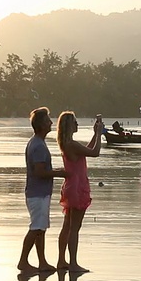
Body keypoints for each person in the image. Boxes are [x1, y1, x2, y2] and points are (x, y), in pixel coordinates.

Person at [18, 107, 67, 273]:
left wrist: (56, 171)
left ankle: (42, 262)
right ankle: (23, 261)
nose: (51, 123)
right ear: (41, 125)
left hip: (38, 192)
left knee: (40, 229)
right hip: (37, 193)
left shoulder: (36, 142)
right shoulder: (38, 145)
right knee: (36, 228)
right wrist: (60, 173)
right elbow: (39, 172)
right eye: (48, 121)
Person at [56, 111, 103, 272]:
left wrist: (96, 134)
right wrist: (99, 135)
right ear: (69, 125)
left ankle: (62, 260)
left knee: (67, 226)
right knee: (74, 227)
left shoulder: (67, 144)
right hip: (77, 187)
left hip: (71, 186)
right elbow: (95, 152)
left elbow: (87, 150)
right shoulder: (71, 144)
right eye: (75, 122)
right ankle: (73, 263)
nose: (77, 124)